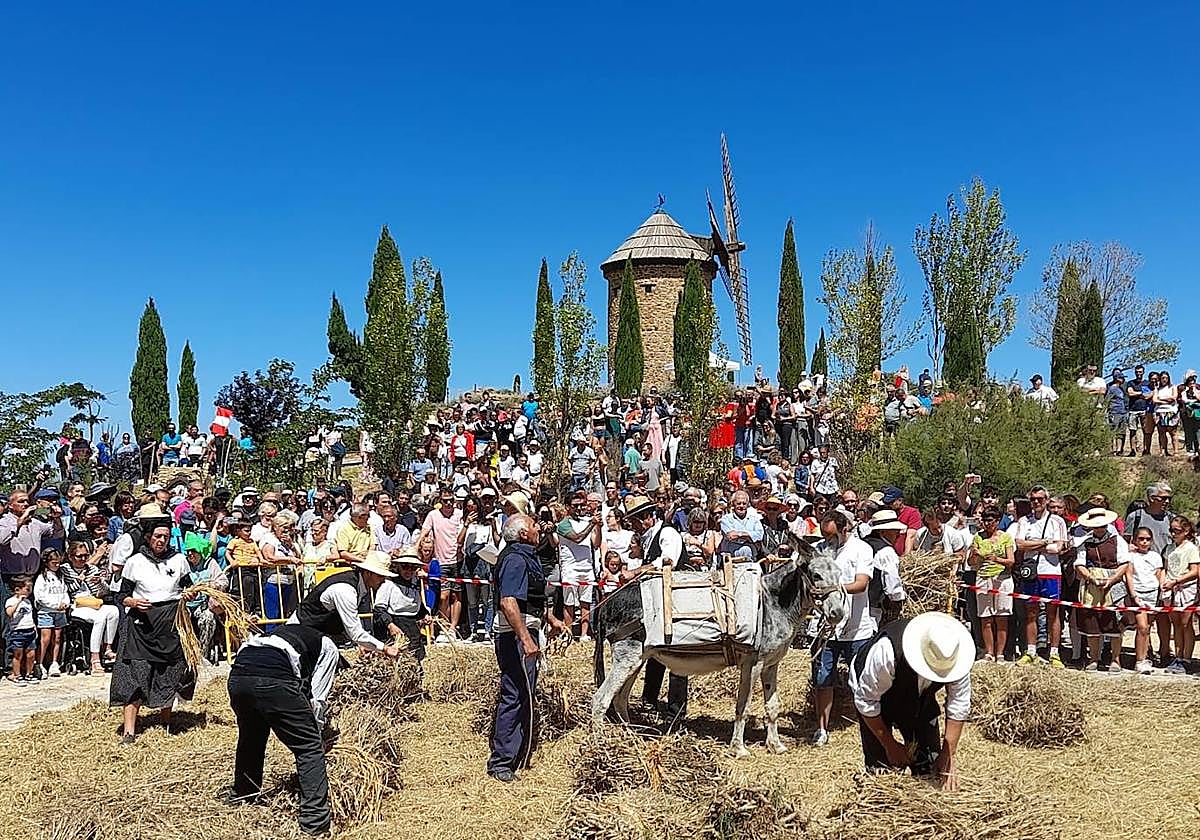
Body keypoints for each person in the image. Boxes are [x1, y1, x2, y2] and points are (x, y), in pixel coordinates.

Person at [228, 622, 340, 836]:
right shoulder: (329, 648)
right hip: (273, 679)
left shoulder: (279, 633)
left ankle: (243, 795)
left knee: (252, 737)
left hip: (239, 677)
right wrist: (316, 732)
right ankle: (315, 823)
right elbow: (317, 699)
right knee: (309, 748)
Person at [848, 612, 974, 791]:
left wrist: (948, 754)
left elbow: (958, 705)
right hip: (877, 697)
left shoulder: (956, 656)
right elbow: (867, 702)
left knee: (929, 766)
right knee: (881, 770)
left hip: (919, 700)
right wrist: (890, 745)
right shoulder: (888, 651)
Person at [110, 515, 194, 744]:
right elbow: (121, 595)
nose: (162, 540)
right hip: (142, 625)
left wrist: (190, 594)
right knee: (135, 675)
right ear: (148, 537)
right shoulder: (135, 561)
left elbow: (188, 587)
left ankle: (165, 723)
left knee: (169, 672)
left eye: (166, 536)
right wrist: (133, 602)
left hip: (171, 623)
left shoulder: (178, 560)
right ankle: (129, 732)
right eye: (158, 536)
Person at [487, 513, 550, 782]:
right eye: (534, 526)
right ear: (523, 533)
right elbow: (508, 602)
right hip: (514, 637)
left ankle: (517, 754)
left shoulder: (524, 556)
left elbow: (529, 600)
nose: (539, 529)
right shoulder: (515, 558)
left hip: (523, 630)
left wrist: (552, 620)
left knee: (523, 693)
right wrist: (525, 639)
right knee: (514, 694)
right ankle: (502, 762)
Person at [619, 494, 688, 718]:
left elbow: (668, 562)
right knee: (656, 649)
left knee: (677, 655)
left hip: (678, 601)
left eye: (635, 521)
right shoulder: (649, 538)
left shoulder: (667, 533)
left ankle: (676, 711)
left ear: (647, 517)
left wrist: (636, 572)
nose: (634, 526)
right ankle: (649, 701)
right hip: (660, 603)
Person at [811, 510, 874, 748]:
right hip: (825, 627)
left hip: (856, 627)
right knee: (822, 678)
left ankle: (867, 725)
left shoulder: (862, 549)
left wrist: (832, 588)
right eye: (824, 535)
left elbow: (861, 583)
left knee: (861, 679)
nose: (827, 540)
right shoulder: (818, 550)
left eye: (831, 535)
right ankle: (821, 729)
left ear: (844, 529)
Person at [287, 552, 400, 657]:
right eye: (380, 576)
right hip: (299, 633)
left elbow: (347, 621)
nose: (383, 581)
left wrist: (364, 644)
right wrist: (385, 648)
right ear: (368, 573)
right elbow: (355, 632)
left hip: (314, 634)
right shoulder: (345, 590)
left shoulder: (358, 586)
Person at [1009, 485, 1068, 667]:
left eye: (1040, 499)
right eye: (1033, 499)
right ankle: (1031, 651)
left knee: (1053, 613)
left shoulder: (1057, 521)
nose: (1036, 502)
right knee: (1031, 612)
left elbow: (1058, 548)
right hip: (1031, 571)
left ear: (1046, 500)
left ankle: (1054, 653)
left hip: (1051, 571)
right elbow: (1019, 545)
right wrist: (1044, 543)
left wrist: (1033, 544)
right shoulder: (1024, 521)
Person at [1072, 508, 1129, 672]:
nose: (1099, 528)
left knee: (1114, 623)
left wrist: (1112, 579)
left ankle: (1115, 659)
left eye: (1102, 525)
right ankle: (1094, 659)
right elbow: (1079, 564)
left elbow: (1124, 563)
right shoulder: (1085, 542)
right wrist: (1090, 578)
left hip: (1113, 584)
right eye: (1096, 526)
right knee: (1092, 623)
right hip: (1091, 584)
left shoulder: (1118, 541)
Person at [63, 538, 119, 671]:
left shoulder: (92, 568)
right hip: (76, 605)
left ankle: (107, 648)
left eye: (86, 555)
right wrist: (79, 580)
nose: (83, 559)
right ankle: (95, 657)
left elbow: (105, 591)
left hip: (93, 602)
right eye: (79, 556)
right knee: (100, 618)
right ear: (71, 557)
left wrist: (98, 582)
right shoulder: (65, 569)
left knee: (113, 611)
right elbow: (66, 589)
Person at [968, 507, 1014, 662]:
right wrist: (974, 556)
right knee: (985, 617)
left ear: (997, 521)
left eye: (990, 520)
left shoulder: (1006, 537)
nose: (987, 523)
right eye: (985, 520)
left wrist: (997, 559)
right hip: (983, 578)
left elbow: (1011, 561)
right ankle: (989, 652)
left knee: (1001, 617)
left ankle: (1000, 653)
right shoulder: (978, 537)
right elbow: (971, 562)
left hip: (1002, 578)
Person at [554, 493, 601, 641]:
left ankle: (584, 634)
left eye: (581, 505)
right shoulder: (563, 524)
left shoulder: (587, 521)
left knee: (585, 602)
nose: (579, 508)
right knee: (569, 603)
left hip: (586, 565)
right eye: (575, 506)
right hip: (570, 567)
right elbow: (577, 538)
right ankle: (568, 633)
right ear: (568, 507)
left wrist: (598, 526)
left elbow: (596, 543)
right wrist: (592, 524)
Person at [372, 547, 431, 662]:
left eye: (413, 568)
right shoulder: (388, 583)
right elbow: (379, 609)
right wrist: (390, 625)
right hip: (394, 627)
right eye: (405, 566)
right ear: (398, 566)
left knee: (415, 660)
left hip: (412, 628)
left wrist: (425, 615)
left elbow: (417, 606)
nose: (409, 571)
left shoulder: (414, 584)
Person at [1160, 515, 1199, 674]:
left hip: (1186, 589)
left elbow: (1195, 571)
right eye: (1171, 530)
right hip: (1171, 589)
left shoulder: (1191, 548)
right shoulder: (1169, 548)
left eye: (1176, 530)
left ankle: (1186, 658)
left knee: (1185, 623)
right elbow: (1165, 568)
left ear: (1186, 530)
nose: (1173, 533)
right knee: (1175, 624)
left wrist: (1177, 581)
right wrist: (1163, 582)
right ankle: (1178, 656)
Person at [1125, 525, 1163, 674]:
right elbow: (1129, 575)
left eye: (1147, 539)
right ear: (1135, 540)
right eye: (1141, 539)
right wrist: (1133, 595)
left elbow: (1158, 575)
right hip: (1138, 593)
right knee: (1141, 627)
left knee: (1147, 628)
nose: (1144, 542)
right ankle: (1139, 661)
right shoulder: (1131, 556)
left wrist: (1161, 593)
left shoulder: (1155, 556)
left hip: (1152, 593)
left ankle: (1145, 657)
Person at [33, 548, 70, 678]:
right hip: (46, 612)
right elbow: (40, 597)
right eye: (54, 563)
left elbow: (64, 591)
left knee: (57, 638)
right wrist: (54, 605)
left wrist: (65, 603)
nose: (57, 565)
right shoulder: (41, 578)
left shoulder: (60, 576)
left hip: (60, 612)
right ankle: (40, 663)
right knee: (46, 639)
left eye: (58, 562)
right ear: (47, 562)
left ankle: (54, 663)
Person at [5, 576, 37, 683]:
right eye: (27, 589)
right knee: (18, 654)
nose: (29, 592)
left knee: (31, 654)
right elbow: (9, 613)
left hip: (30, 630)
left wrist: (34, 628)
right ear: (17, 590)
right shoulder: (10, 601)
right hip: (18, 632)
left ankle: (29, 674)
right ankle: (16, 675)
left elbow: (30, 616)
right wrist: (19, 600)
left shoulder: (28, 602)